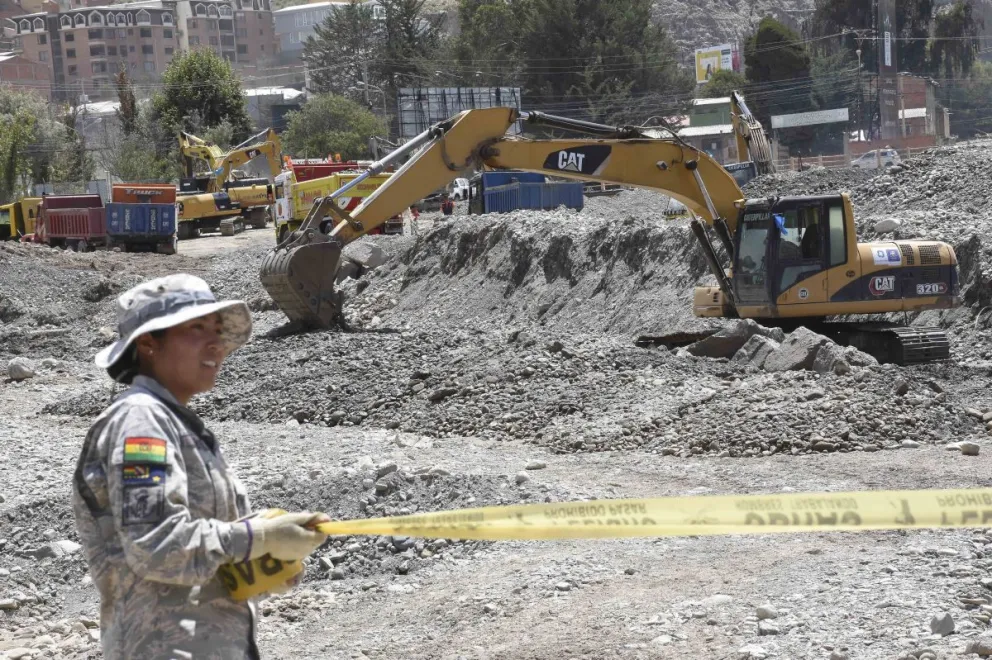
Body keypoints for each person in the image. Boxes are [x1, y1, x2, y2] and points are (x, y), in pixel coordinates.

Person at [72, 274, 329, 659]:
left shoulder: (174, 423)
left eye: (217, 329)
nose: (216, 343)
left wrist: (261, 560)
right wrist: (259, 538)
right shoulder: (141, 422)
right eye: (196, 328)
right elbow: (155, 545)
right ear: (147, 343)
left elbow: (196, 545)